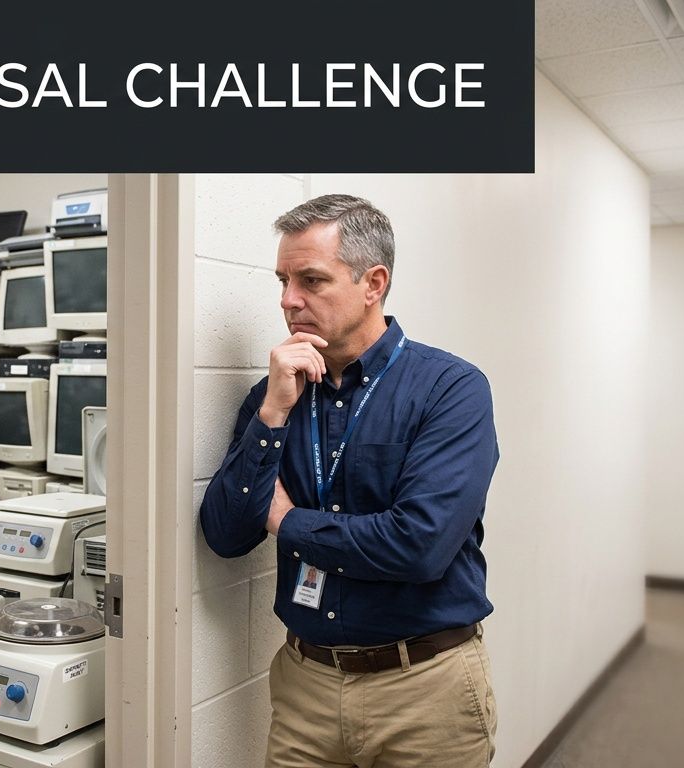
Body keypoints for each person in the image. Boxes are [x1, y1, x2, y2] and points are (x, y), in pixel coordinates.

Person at [199, 194, 500, 768]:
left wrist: (286, 520)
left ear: (373, 283)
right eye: (283, 280)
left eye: (311, 279)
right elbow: (226, 536)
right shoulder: (275, 397)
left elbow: (419, 547)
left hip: (424, 688)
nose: (289, 300)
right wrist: (270, 417)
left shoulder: (450, 390)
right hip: (304, 684)